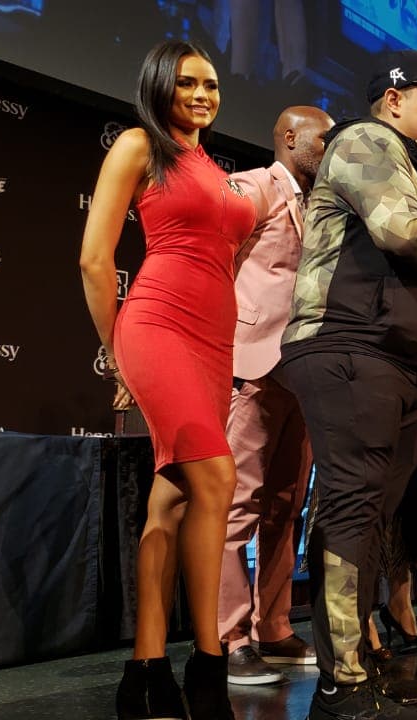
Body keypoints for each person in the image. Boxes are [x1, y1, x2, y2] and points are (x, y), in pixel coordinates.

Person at [278, 49, 417, 720]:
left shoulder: (402, 159)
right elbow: (400, 232)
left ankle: (359, 665)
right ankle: (340, 684)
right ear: (394, 99)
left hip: (394, 357)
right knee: (353, 509)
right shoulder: (364, 139)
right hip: (348, 345)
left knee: (375, 516)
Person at [80, 40, 255, 720]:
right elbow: (95, 260)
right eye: (187, 83)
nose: (203, 94)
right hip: (156, 324)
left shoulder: (213, 167)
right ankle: (208, 664)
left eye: (211, 84)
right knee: (215, 479)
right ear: (159, 85)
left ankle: (144, 673)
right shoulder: (138, 145)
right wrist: (117, 353)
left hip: (215, 341)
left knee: (172, 501)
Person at [217, 105, 332, 687]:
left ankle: (274, 626)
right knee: (238, 505)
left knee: (287, 507)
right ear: (289, 137)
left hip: (302, 374)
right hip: (253, 365)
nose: (331, 147)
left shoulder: (322, 203)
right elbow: (214, 265)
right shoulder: (252, 187)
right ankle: (229, 637)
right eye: (323, 138)